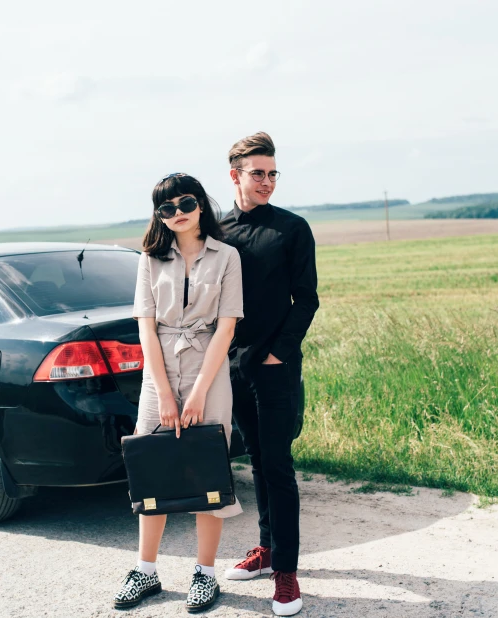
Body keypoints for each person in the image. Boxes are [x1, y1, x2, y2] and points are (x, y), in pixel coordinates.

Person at [114, 173, 244, 614]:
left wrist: (198, 393)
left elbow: (226, 327)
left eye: (184, 203)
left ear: (201, 203)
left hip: (209, 368)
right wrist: (165, 394)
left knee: (208, 470)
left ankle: (205, 575)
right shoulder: (149, 261)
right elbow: (145, 329)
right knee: (153, 468)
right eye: (166, 209)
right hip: (160, 372)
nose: (177, 213)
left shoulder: (227, 257)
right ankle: (145, 571)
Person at [219, 132, 319, 617]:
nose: (267, 182)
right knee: (255, 459)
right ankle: (266, 550)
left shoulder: (292, 229)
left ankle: (287, 573)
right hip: (231, 366)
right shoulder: (216, 231)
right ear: (234, 175)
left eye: (273, 173)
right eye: (258, 173)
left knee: (278, 464)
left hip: (276, 368)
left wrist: (279, 352)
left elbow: (308, 298)